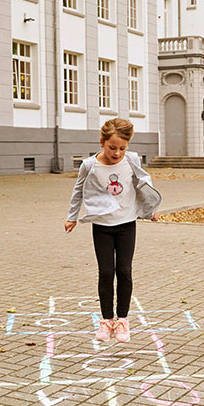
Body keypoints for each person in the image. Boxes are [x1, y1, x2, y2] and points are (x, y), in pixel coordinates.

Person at [65, 118, 161, 344]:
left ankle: (123, 321)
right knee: (106, 273)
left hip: (127, 224)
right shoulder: (89, 165)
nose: (117, 153)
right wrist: (72, 217)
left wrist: (151, 209)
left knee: (124, 272)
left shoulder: (132, 160)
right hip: (102, 226)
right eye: (112, 148)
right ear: (101, 142)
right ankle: (107, 320)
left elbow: (143, 183)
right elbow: (78, 190)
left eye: (122, 148)